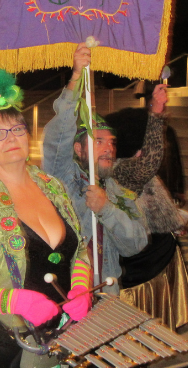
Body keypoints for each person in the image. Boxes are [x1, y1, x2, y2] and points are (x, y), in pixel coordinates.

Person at [0, 69, 92, 368]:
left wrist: (81, 287)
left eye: (17, 129)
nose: (10, 137)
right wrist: (13, 301)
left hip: (69, 334)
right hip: (17, 343)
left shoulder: (53, 186)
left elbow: (78, 252)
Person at [41, 43, 149, 294]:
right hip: (68, 291)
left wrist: (107, 210)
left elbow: (136, 244)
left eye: (111, 143)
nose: (109, 149)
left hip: (107, 290)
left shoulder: (117, 190)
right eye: (98, 141)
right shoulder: (63, 175)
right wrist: (77, 77)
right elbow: (58, 135)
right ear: (78, 150)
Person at [104, 106, 188, 332]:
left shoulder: (119, 168)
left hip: (152, 250)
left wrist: (175, 221)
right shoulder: (125, 170)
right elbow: (150, 163)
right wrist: (155, 116)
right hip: (146, 261)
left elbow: (158, 203)